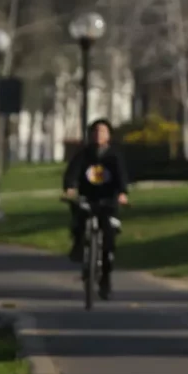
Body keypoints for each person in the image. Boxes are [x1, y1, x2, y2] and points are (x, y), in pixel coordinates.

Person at [62, 119, 130, 298]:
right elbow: (73, 172)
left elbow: (121, 176)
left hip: (108, 201)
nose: (99, 135)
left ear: (109, 135)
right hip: (88, 198)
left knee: (109, 240)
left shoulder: (114, 155)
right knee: (78, 217)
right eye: (96, 131)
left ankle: (105, 280)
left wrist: (122, 193)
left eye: (103, 131)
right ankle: (78, 246)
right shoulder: (84, 154)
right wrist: (70, 187)